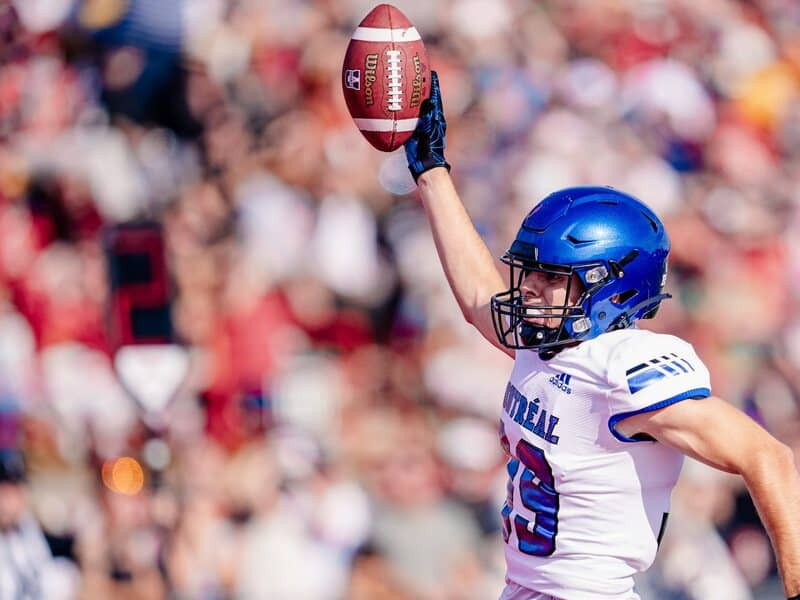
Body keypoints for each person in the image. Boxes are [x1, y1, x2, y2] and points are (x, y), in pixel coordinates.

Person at [401, 71, 800, 600]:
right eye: (532, 274)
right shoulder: (547, 343)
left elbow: (766, 457)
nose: (531, 290)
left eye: (552, 279)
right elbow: (480, 300)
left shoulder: (623, 365)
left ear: (608, 290)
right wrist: (431, 172)